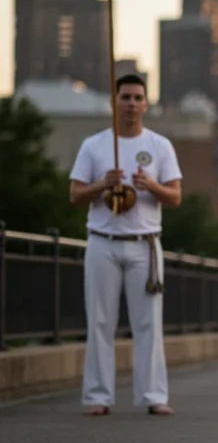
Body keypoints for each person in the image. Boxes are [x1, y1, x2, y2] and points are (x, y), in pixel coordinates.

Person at [68, 74, 181, 417]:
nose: (131, 104)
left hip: (144, 243)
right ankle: (98, 396)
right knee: (100, 321)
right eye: (125, 97)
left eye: (137, 98)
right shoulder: (94, 145)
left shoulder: (160, 146)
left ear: (145, 104)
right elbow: (75, 194)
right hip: (103, 241)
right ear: (114, 103)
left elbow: (175, 197)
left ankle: (153, 395)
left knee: (148, 323)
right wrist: (102, 185)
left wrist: (151, 186)